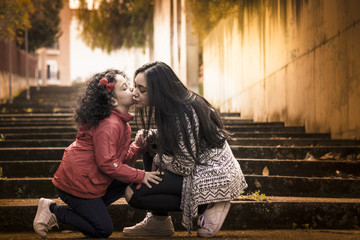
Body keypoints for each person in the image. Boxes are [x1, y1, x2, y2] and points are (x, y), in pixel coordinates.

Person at [122, 61, 248, 237]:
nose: (135, 93)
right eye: (135, 86)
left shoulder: (183, 113)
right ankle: (159, 222)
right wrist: (150, 134)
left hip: (213, 175)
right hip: (197, 166)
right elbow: (178, 138)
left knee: (134, 194)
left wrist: (158, 160)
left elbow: (184, 166)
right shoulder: (171, 106)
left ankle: (211, 202)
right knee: (150, 144)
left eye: (142, 90)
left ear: (160, 90)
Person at [33, 69, 163, 238]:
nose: (132, 90)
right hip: (76, 184)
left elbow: (120, 161)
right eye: (125, 88)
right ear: (114, 101)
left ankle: (90, 211)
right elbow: (108, 163)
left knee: (127, 181)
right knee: (103, 230)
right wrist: (140, 174)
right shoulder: (109, 124)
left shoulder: (122, 124)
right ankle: (53, 211)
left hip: (92, 181)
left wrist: (139, 146)